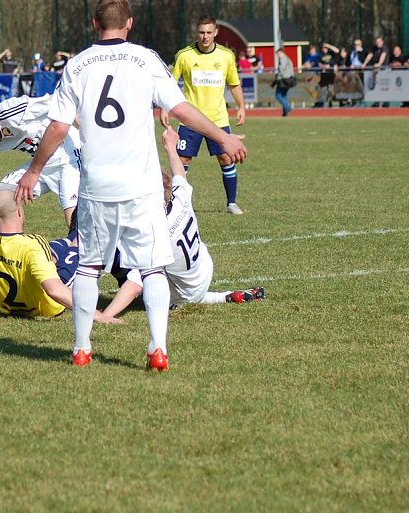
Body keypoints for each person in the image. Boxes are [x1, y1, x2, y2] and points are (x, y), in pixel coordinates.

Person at [15, 0, 247, 371]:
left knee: (90, 268)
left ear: (95, 24)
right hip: (142, 185)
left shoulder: (76, 64)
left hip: (96, 186)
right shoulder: (145, 58)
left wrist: (33, 170)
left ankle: (81, 348)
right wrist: (224, 137)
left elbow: (58, 127)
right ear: (130, 24)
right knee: (153, 268)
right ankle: (157, 349)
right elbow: (181, 108)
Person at [101, 127, 264, 319]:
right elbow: (179, 174)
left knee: (120, 251)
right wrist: (170, 147)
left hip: (181, 291)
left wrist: (106, 315)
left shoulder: (154, 232)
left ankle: (184, 301)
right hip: (203, 269)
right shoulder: (179, 198)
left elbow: (135, 285)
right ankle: (219, 297)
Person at [0, 186, 119, 323]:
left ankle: (72, 236)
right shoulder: (32, 243)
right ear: (19, 211)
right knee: (81, 245)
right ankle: (80, 233)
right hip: (49, 307)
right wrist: (97, 316)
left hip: (7, 308)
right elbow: (55, 290)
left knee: (59, 245)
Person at [0, 94, 80, 229]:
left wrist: (87, 131)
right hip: (39, 166)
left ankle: (83, 248)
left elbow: (61, 100)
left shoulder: (11, 112)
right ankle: (7, 247)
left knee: (73, 218)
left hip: (69, 157)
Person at [160, 15, 246, 215]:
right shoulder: (184, 55)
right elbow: (170, 83)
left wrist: (241, 106)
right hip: (190, 120)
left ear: (216, 32)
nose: (205, 36)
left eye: (209, 32)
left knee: (226, 159)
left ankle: (231, 203)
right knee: (182, 160)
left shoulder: (226, 56)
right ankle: (180, 205)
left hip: (218, 119)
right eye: (201, 32)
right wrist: (165, 107)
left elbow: (234, 84)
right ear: (196, 32)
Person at [274, 48, 295, 116]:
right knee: (284, 95)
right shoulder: (288, 59)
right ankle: (285, 112)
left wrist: (277, 79)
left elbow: (281, 70)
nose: (278, 56)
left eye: (278, 54)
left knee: (278, 95)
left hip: (283, 80)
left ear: (282, 53)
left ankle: (287, 107)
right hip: (289, 80)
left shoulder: (283, 60)